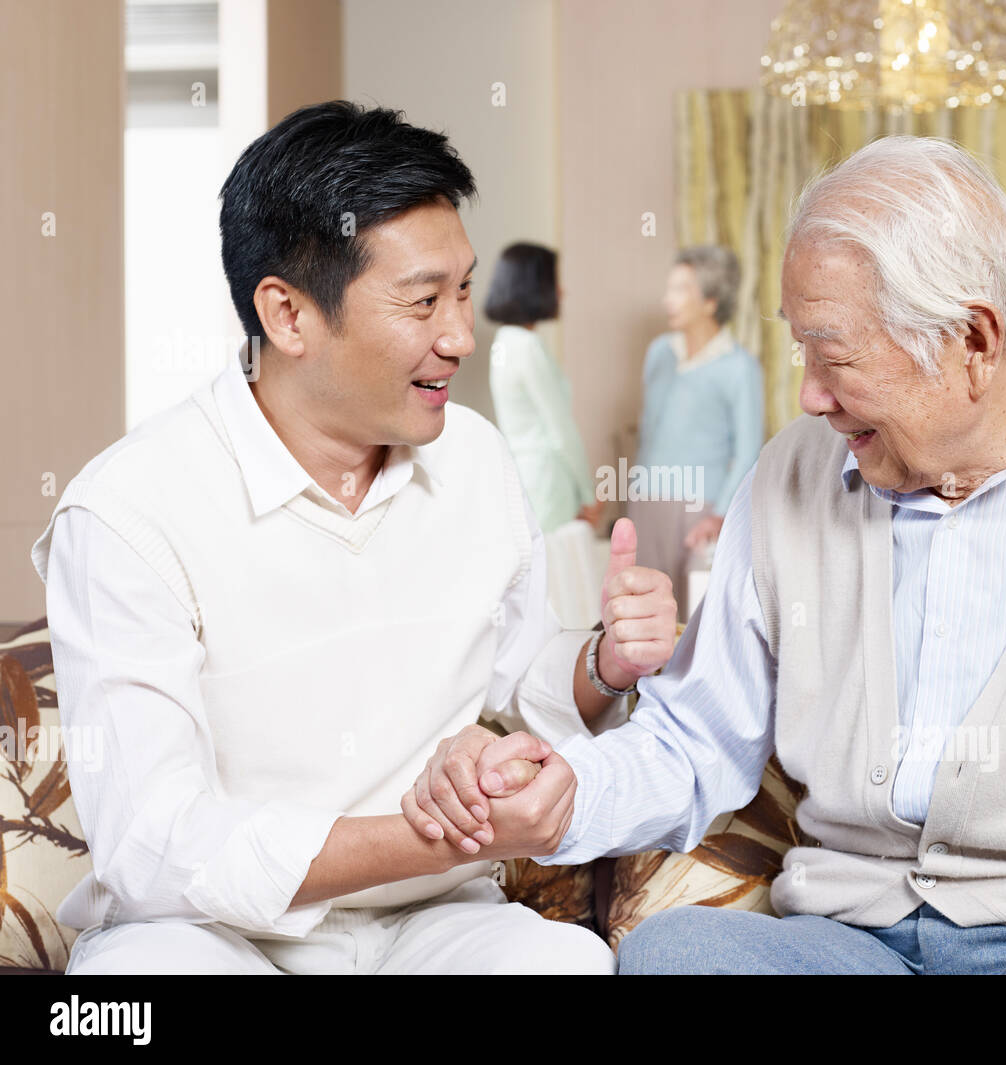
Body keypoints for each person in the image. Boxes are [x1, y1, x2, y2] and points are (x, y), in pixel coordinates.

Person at [406, 135, 1006, 975]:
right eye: (799, 351)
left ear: (975, 342)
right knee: (678, 956)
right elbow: (692, 739)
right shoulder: (792, 475)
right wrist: (564, 789)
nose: (809, 396)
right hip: (860, 941)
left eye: (832, 357)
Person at [29, 101, 676, 975]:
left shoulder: (476, 459)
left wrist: (607, 665)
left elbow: (524, 683)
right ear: (287, 316)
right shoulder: (128, 511)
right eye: (422, 301)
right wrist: (438, 837)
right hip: (202, 931)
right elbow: (156, 847)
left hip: (434, 917)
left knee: (564, 964)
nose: (460, 335)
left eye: (462, 289)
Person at [629, 245, 764, 622]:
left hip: (701, 510)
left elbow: (750, 448)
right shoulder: (658, 353)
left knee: (695, 618)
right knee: (643, 613)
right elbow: (649, 431)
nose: (666, 299)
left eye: (680, 289)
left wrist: (719, 515)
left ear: (710, 301)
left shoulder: (740, 367)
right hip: (648, 501)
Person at [486, 243, 603, 534]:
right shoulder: (528, 346)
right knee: (556, 572)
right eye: (553, 281)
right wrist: (589, 495)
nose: (561, 291)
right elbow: (560, 430)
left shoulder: (504, 341)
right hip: (548, 483)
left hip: (524, 478)